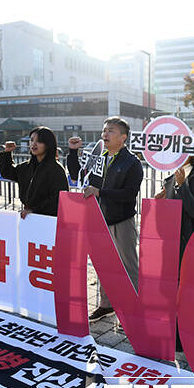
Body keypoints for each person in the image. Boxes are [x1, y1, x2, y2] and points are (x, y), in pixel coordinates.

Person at [67, 117, 143, 322]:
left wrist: (100, 192)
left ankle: (134, 310)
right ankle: (106, 305)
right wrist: (73, 152)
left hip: (122, 220)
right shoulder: (98, 157)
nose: (105, 135)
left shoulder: (132, 163)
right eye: (104, 130)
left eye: (110, 131)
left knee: (128, 266)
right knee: (103, 265)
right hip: (99, 220)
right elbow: (77, 174)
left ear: (123, 137)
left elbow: (129, 194)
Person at [0, 126, 69, 218]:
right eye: (31, 140)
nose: (34, 144)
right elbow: (7, 172)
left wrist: (34, 210)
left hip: (49, 219)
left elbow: (59, 200)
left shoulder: (56, 169)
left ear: (48, 144)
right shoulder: (26, 167)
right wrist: (7, 153)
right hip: (29, 217)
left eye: (39, 141)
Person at [154, 155, 194, 259]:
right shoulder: (169, 180)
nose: (177, 155)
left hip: (189, 242)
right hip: (169, 241)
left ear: (191, 155)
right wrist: (159, 203)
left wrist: (182, 186)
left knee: (186, 274)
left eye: (181, 151)